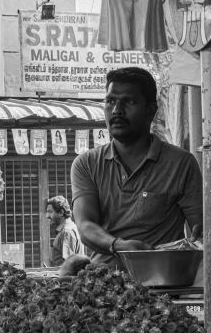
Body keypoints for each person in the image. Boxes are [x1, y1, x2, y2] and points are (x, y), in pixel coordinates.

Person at [71, 66, 203, 268]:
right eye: (110, 101)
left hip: (163, 283)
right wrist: (118, 245)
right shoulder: (86, 164)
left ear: (151, 110)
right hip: (102, 284)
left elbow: (200, 233)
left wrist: (194, 245)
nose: (116, 110)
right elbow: (85, 226)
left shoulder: (181, 164)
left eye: (129, 101)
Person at [45, 195, 83, 267]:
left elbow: (69, 267)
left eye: (50, 212)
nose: (47, 216)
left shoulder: (67, 232)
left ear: (61, 212)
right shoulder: (70, 228)